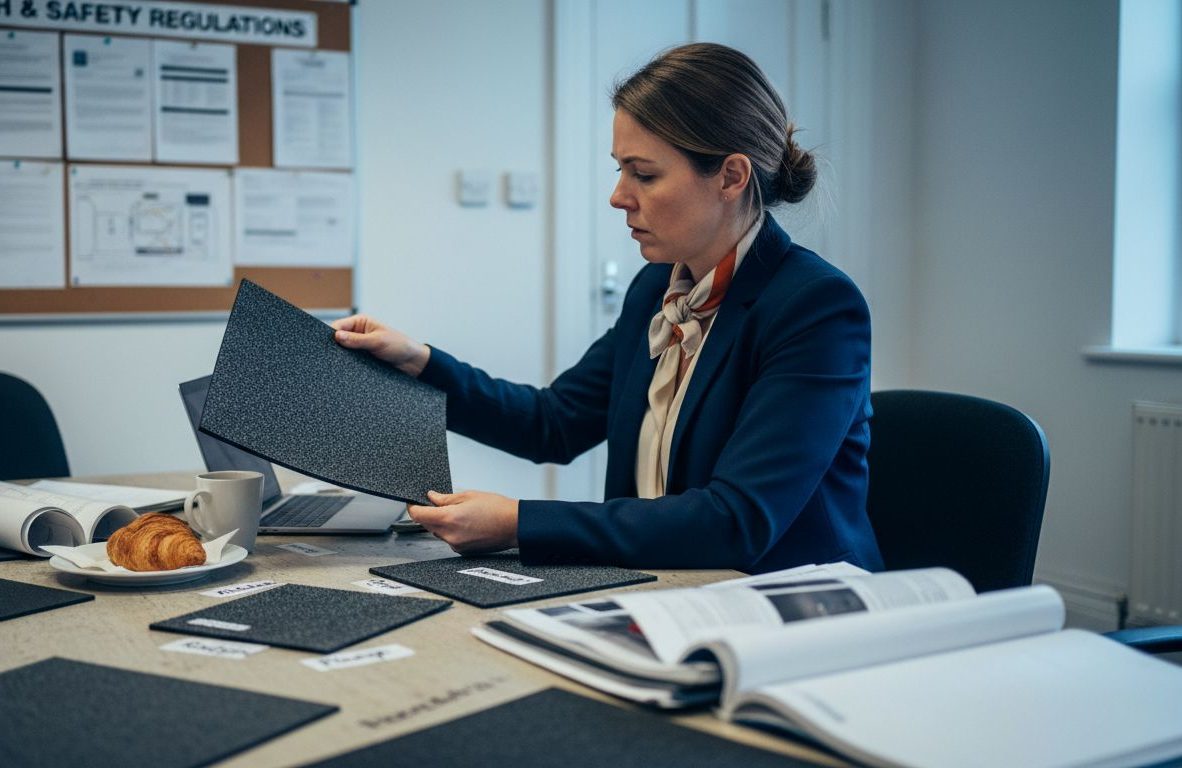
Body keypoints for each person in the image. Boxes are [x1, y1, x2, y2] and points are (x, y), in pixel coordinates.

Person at [334, 42, 884, 573]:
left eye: (644, 174)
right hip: (672, 588)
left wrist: (519, 523)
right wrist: (419, 363)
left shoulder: (816, 308)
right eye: (619, 169)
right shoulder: (655, 289)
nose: (619, 196)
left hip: (794, 605)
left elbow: (735, 522)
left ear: (731, 177)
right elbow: (553, 424)